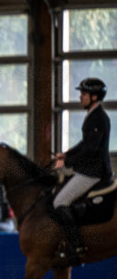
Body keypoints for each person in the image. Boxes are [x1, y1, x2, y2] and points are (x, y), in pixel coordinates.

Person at [52, 77, 111, 265]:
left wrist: (66, 162)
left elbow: (91, 150)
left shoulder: (98, 118)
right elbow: (84, 144)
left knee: (60, 201)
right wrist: (65, 155)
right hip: (89, 168)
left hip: (93, 172)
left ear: (94, 97)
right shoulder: (93, 115)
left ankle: (76, 246)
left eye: (84, 94)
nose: (80, 97)